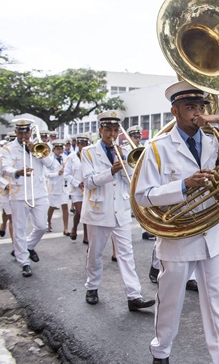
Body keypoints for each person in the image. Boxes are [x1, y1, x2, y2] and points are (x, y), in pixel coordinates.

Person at [134, 80, 219, 364]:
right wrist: (183, 186)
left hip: (216, 238)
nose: (197, 113)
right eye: (190, 107)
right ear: (174, 111)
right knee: (170, 301)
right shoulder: (157, 147)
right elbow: (143, 197)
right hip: (179, 240)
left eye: (201, 107)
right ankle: (161, 351)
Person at [80, 111, 154, 312]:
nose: (112, 134)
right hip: (98, 209)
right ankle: (92, 287)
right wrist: (111, 171)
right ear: (100, 130)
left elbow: (130, 179)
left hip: (119, 209)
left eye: (115, 130)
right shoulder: (87, 152)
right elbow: (89, 181)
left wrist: (125, 162)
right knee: (95, 253)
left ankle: (134, 295)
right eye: (108, 130)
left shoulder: (122, 150)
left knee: (126, 254)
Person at [0, 118, 57, 278]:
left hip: (39, 192)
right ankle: (24, 262)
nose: (24, 135)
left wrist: (36, 152)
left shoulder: (39, 146)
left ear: (30, 132)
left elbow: (51, 165)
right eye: (21, 132)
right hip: (18, 194)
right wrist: (17, 172)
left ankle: (28, 246)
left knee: (42, 226)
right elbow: (6, 167)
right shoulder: (7, 149)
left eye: (26, 132)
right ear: (16, 132)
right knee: (19, 229)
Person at [121, 124, 155, 241]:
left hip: (141, 180)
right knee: (129, 210)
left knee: (145, 207)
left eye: (138, 137)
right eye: (135, 137)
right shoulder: (124, 150)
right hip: (128, 182)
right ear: (129, 137)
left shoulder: (143, 147)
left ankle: (147, 230)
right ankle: (125, 235)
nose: (138, 139)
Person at [64, 133, 90, 242]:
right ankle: (79, 231)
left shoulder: (90, 156)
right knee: (80, 212)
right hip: (76, 190)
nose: (83, 146)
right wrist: (76, 183)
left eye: (85, 143)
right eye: (81, 144)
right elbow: (66, 174)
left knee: (85, 213)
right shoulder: (71, 157)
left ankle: (83, 234)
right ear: (77, 144)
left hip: (88, 188)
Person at [46, 140, 70, 236]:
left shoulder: (66, 158)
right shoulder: (49, 160)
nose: (60, 151)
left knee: (65, 206)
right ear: (53, 149)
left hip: (63, 186)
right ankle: (48, 222)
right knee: (52, 207)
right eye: (58, 149)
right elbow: (46, 174)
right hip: (54, 187)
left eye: (61, 148)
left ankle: (66, 228)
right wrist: (57, 173)